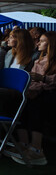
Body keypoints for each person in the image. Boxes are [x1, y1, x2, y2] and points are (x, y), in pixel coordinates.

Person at [12, 32, 56, 166]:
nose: (37, 43)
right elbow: (33, 80)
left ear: (51, 44)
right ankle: (24, 144)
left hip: (50, 94)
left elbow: (47, 81)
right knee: (21, 103)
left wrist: (42, 79)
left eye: (42, 41)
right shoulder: (38, 60)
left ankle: (36, 149)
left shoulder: (50, 61)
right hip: (38, 92)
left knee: (37, 104)